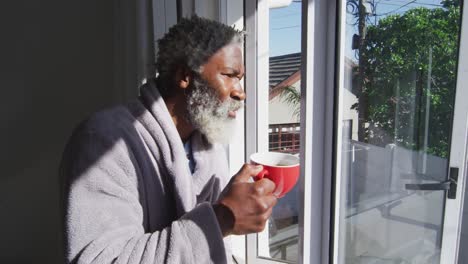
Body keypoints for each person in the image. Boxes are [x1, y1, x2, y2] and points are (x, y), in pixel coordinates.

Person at [60, 15, 278, 264]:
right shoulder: (103, 142)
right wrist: (220, 220)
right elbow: (101, 260)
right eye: (229, 75)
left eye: (240, 79)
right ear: (185, 76)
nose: (241, 92)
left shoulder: (206, 146)